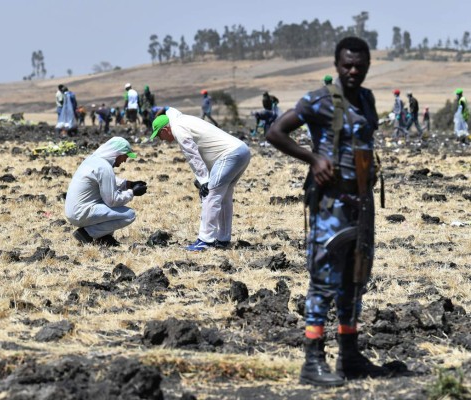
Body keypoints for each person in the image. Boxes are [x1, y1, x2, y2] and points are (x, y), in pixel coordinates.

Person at [266, 36, 385, 387]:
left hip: (361, 205)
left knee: (355, 279)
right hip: (330, 205)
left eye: (359, 66)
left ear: (367, 67)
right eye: (347, 65)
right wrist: (313, 157)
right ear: (336, 65)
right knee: (323, 282)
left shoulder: (366, 99)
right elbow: (276, 132)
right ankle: (312, 360)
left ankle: (349, 355)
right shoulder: (319, 101)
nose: (353, 71)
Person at [150, 106, 250, 251]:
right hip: (242, 151)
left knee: (210, 195)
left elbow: (192, 155)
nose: (161, 140)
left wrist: (204, 180)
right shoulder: (184, 120)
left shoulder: (178, 128)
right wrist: (204, 178)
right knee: (224, 196)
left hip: (230, 155)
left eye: (159, 136)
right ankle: (223, 239)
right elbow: (208, 151)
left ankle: (205, 240)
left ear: (165, 130)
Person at [64, 137, 147, 247]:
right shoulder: (104, 167)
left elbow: (108, 181)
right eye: (125, 156)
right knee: (129, 215)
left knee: (110, 209)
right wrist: (132, 193)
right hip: (81, 213)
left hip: (74, 211)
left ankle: (103, 238)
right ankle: (87, 233)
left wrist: (129, 184)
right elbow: (112, 201)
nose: (125, 160)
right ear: (118, 153)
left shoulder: (94, 160)